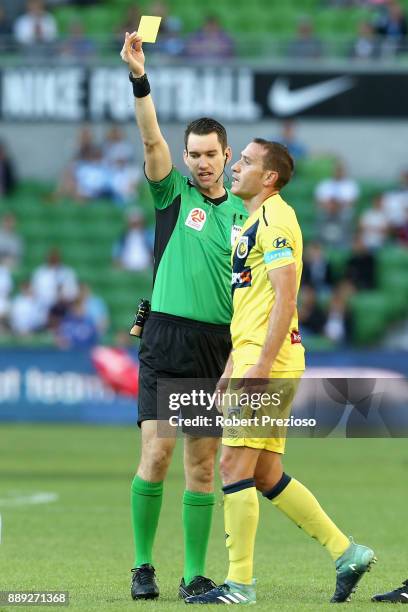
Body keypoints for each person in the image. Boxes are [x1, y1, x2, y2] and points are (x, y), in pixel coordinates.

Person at [185, 139, 375, 605]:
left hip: (268, 361)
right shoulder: (251, 221)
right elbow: (252, 304)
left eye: (246, 162)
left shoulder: (276, 220)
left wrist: (261, 366)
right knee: (266, 472)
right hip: (252, 356)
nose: (236, 168)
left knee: (231, 464)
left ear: (269, 177)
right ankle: (347, 552)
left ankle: (240, 585)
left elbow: (286, 298)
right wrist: (233, 364)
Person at [120, 31, 248, 601]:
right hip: (166, 336)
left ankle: (195, 574)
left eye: (208, 154)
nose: (198, 162)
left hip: (215, 344)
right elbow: (150, 140)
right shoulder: (172, 195)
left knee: (202, 467)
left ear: (227, 154)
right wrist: (139, 78)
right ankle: (143, 566)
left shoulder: (248, 214)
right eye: (192, 153)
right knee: (157, 452)